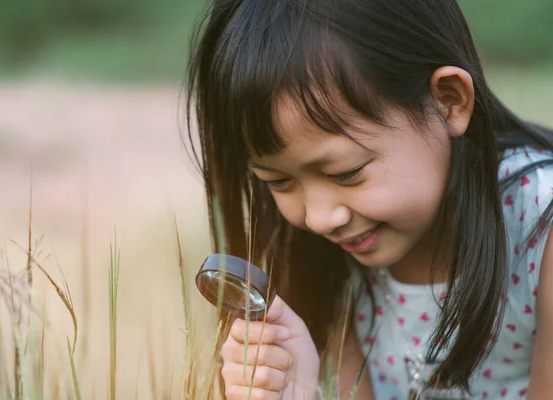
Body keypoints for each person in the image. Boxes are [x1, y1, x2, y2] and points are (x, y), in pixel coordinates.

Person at [185, 0, 553, 398]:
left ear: (448, 101)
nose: (320, 218)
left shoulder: (540, 228)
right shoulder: (326, 259)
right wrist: (307, 390)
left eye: (346, 173)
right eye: (278, 181)